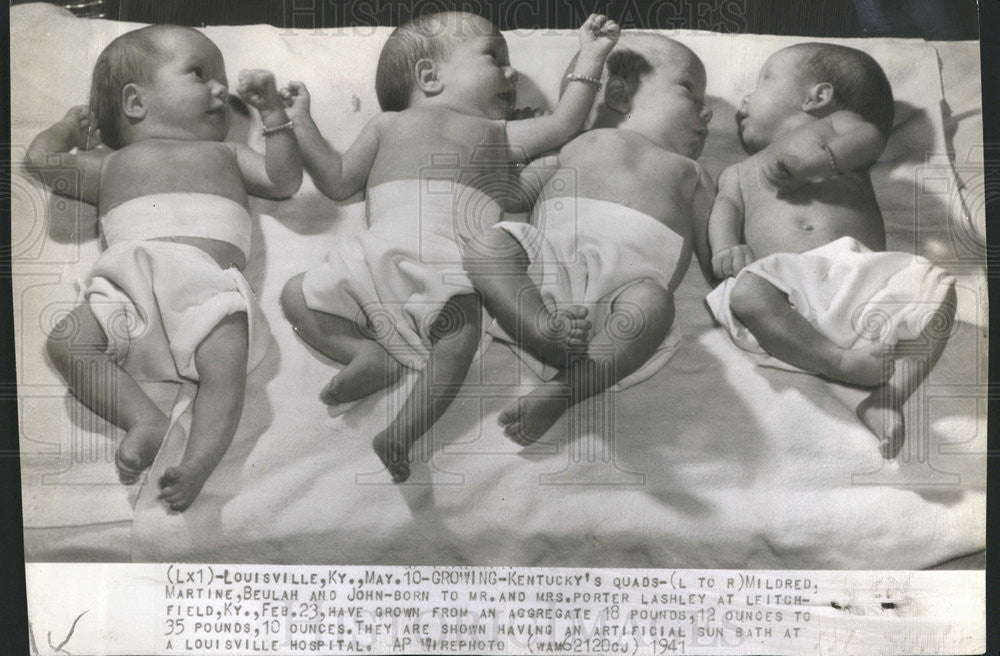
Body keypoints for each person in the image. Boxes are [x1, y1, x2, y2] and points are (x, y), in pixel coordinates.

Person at [279, 12, 620, 481]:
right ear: (430, 77)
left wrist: (591, 56)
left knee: (460, 330)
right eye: (493, 57)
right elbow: (338, 181)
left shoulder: (499, 134)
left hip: (449, 264)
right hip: (377, 252)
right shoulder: (387, 125)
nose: (511, 73)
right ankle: (365, 355)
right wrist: (302, 124)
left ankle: (402, 432)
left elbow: (564, 123)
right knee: (296, 293)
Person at [26, 25, 302, 510]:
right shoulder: (111, 165)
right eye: (199, 73)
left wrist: (274, 117)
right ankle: (143, 418)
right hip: (128, 286)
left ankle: (197, 464)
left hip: (207, 289)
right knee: (67, 342)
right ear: (135, 102)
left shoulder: (228, 154)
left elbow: (283, 181)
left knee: (227, 363)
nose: (221, 88)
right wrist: (69, 128)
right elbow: (42, 160)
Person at [705, 43, 955, 459]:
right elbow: (724, 207)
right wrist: (726, 245)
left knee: (939, 292)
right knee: (747, 292)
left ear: (817, 97)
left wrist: (821, 162)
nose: (743, 100)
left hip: (857, 272)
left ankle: (887, 396)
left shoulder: (838, 124)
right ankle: (838, 362)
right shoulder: (736, 172)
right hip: (787, 285)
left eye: (762, 81)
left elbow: (869, 138)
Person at [466, 34, 715, 444]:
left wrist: (729, 252)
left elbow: (714, 248)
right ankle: (538, 326)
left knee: (657, 303)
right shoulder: (578, 145)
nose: (706, 114)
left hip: (626, 293)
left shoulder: (691, 172)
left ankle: (566, 389)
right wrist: (509, 152)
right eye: (689, 90)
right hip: (546, 273)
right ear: (619, 92)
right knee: (490, 244)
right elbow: (511, 195)